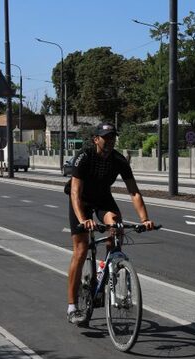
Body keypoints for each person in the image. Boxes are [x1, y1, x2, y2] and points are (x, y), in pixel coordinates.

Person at [66, 122, 156, 325]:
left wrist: (145, 219)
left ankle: (105, 269)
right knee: (80, 250)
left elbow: (134, 191)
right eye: (105, 137)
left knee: (116, 227)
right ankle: (72, 307)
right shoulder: (84, 156)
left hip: (103, 199)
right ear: (96, 139)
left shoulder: (118, 160)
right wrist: (83, 220)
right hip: (81, 201)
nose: (110, 141)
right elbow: (75, 192)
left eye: (112, 137)